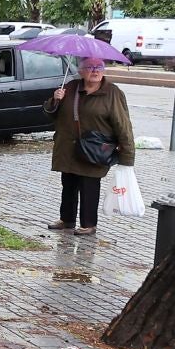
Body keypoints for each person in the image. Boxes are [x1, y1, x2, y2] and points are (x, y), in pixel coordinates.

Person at [44, 56, 135, 235]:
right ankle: (67, 219)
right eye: (90, 67)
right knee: (68, 184)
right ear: (81, 71)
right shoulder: (70, 87)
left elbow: (123, 125)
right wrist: (55, 100)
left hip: (95, 148)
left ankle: (88, 224)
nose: (95, 71)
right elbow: (51, 114)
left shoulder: (112, 93)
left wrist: (127, 155)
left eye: (99, 67)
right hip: (69, 147)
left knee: (89, 186)